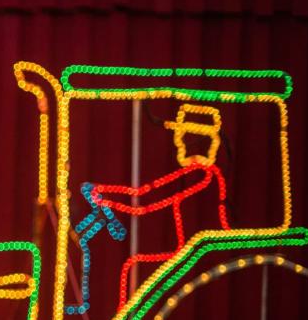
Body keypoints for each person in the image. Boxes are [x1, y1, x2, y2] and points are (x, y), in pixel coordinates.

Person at [82, 103, 231, 309]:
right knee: (131, 263)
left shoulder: (202, 173)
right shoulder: (202, 172)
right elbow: (144, 194)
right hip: (191, 251)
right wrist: (104, 194)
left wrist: (103, 195)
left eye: (183, 134)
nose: (180, 141)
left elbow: (145, 199)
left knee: (129, 265)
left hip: (196, 254)